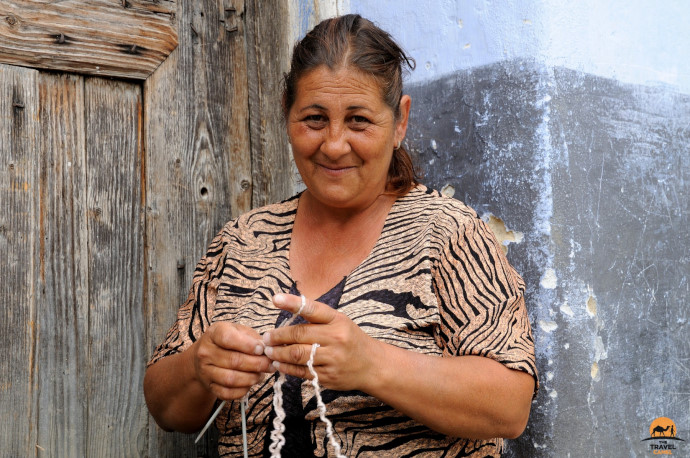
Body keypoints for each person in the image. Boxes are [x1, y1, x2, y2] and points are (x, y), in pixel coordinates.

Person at [144, 14, 538, 457]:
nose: (333, 144)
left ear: (400, 122)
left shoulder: (448, 235)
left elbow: (510, 405)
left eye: (358, 121)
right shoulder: (243, 241)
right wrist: (201, 367)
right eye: (314, 119)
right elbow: (166, 406)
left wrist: (372, 364)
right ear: (286, 114)